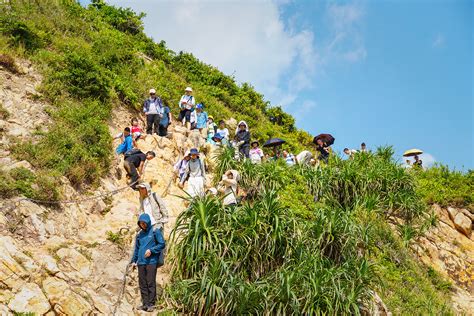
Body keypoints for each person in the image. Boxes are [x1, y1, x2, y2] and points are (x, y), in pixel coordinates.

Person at [131, 213, 165, 312]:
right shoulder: (139, 235)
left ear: (148, 222)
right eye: (141, 223)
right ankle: (145, 304)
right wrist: (134, 261)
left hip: (151, 261)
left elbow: (162, 244)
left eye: (144, 223)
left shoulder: (155, 231)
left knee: (150, 282)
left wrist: (151, 250)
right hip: (141, 262)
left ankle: (151, 304)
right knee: (142, 283)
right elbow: (137, 249)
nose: (143, 225)